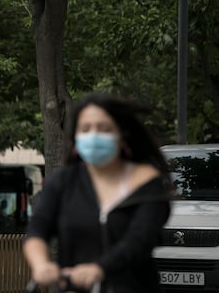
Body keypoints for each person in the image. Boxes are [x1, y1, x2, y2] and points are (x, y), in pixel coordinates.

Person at [23, 93, 173, 293]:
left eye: (104, 128)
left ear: (122, 135)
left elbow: (139, 241)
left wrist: (100, 268)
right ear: (76, 138)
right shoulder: (63, 182)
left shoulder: (147, 183)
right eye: (85, 129)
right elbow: (37, 229)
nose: (93, 135)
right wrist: (41, 264)